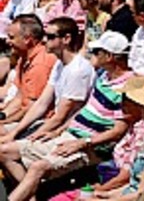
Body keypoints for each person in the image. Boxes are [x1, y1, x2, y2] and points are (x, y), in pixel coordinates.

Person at [0, 30, 134, 201]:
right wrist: (57, 131)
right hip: (68, 134)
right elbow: (85, 110)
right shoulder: (104, 78)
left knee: (37, 167)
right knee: (4, 151)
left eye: (97, 52)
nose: (92, 55)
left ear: (109, 56)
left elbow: (118, 131)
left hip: (89, 146)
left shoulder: (126, 88)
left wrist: (82, 143)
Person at [0, 16, 92, 142]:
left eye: (50, 37)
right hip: (47, 123)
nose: (44, 40)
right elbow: (40, 103)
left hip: (66, 130)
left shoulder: (77, 70)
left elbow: (60, 116)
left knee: (4, 150)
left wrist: (24, 138)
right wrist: (11, 128)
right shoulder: (59, 64)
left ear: (66, 39)